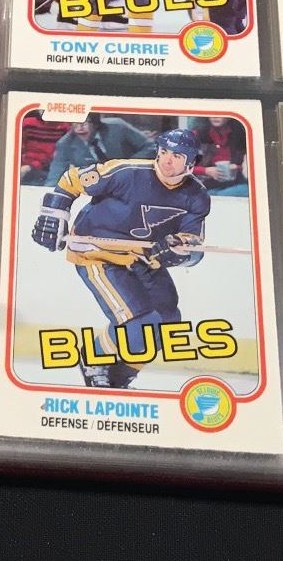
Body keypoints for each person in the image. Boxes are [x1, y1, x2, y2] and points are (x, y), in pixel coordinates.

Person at [31, 129, 212, 390]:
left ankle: (120, 377)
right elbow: (72, 179)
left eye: (176, 156)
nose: (166, 160)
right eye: (163, 152)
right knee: (140, 323)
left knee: (168, 324)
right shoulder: (127, 171)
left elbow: (193, 247)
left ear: (191, 162)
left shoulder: (197, 196)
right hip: (96, 254)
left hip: (141, 259)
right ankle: (92, 358)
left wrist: (178, 249)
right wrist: (54, 215)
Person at [44, 114, 154, 189]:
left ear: (95, 124)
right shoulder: (65, 144)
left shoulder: (118, 126)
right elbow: (54, 176)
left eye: (85, 123)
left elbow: (150, 146)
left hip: (131, 180)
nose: (79, 128)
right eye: (75, 124)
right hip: (95, 187)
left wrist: (128, 165)